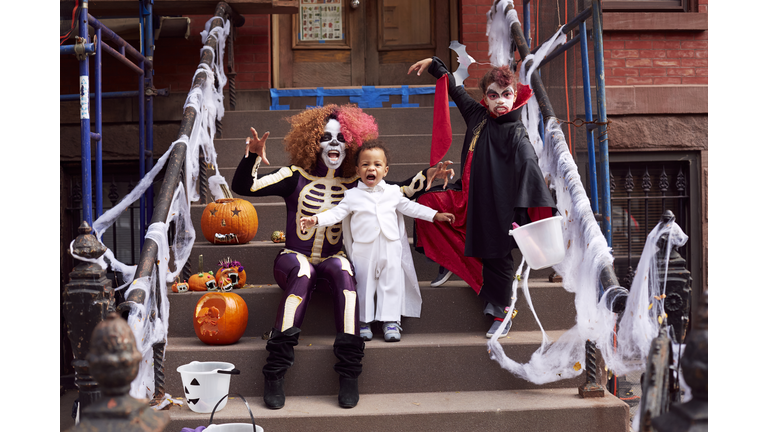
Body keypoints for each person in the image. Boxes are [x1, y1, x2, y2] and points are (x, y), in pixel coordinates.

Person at [230, 104, 451, 410]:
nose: (333, 143)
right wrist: (252, 157)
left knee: (345, 273)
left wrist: (427, 175)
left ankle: (349, 373)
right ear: (312, 142)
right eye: (325, 137)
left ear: (351, 145)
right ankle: (275, 371)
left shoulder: (355, 184)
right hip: (293, 258)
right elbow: (246, 186)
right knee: (303, 272)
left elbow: (396, 191)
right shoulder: (294, 176)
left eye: (341, 138)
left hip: (331, 260)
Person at [407, 57, 557, 338]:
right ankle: (450, 261)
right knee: (427, 204)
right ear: (485, 98)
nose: (500, 101)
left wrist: (528, 210)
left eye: (506, 94)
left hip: (495, 207)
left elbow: (528, 163)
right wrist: (435, 65)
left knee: (497, 257)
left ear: (515, 96)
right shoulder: (477, 116)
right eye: (493, 95)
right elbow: (456, 90)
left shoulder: (517, 132)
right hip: (466, 198)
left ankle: (503, 312)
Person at [299, 141, 456, 343]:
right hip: (364, 249)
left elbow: (411, 208)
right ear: (358, 170)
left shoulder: (393, 192)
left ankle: (390, 320)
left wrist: (435, 215)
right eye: (365, 164)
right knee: (364, 284)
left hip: (390, 246)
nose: (371, 168)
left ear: (385, 170)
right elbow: (336, 213)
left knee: (390, 283)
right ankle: (363, 321)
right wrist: (315, 219)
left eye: (377, 164)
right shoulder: (352, 195)